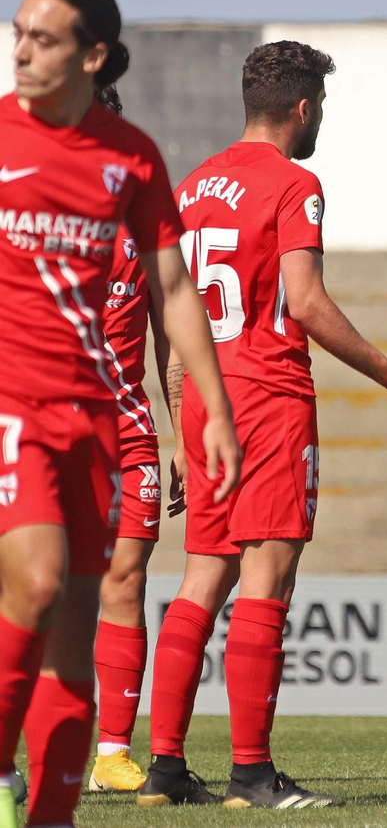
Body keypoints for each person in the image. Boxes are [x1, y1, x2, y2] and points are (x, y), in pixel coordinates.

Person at [136, 40, 387, 811]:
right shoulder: (294, 182)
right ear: (304, 108)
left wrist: (181, 422)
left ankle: (165, 768)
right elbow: (306, 301)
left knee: (202, 575)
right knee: (268, 579)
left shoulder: (193, 186)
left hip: (204, 400)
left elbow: (166, 308)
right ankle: (252, 773)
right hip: (267, 394)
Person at [0, 0, 241, 828]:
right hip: (13, 407)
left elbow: (174, 290)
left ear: (94, 56)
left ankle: (56, 807)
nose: (21, 51)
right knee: (38, 582)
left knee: (77, 634)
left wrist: (210, 413)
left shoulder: (132, 157)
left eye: (43, 38)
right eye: (18, 33)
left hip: (98, 417)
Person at [85, 220, 185, 793]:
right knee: (33, 585)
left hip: (127, 433)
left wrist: (184, 437)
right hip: (46, 430)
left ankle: (112, 755)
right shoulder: (31, 211)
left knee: (126, 579)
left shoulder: (144, 229)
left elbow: (171, 337)